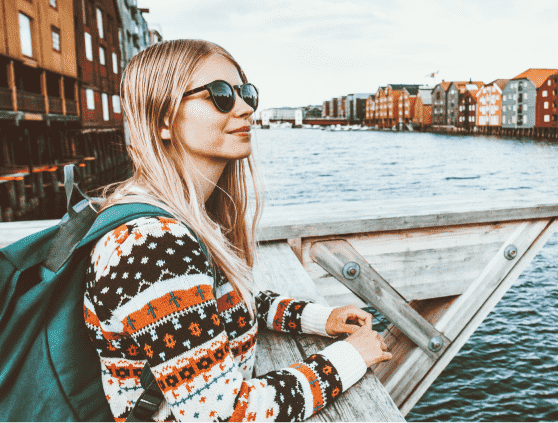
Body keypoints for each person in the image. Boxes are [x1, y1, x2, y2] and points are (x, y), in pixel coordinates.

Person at [84, 39, 391, 422]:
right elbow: (226, 414)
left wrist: (315, 319)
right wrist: (350, 357)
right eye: (220, 95)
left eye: (246, 92)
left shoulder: (180, 216)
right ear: (162, 119)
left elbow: (221, 303)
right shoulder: (153, 244)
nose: (246, 107)